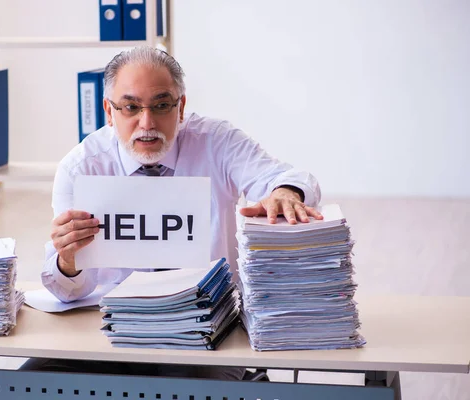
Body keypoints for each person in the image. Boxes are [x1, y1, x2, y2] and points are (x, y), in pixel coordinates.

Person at [25, 46, 323, 379]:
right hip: (111, 332)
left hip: (204, 331)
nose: (147, 122)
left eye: (161, 105)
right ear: (109, 112)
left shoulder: (216, 142)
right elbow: (69, 291)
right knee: (29, 380)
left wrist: (284, 193)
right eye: (131, 107)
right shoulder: (81, 167)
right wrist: (68, 261)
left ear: (180, 108)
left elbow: (286, 178)